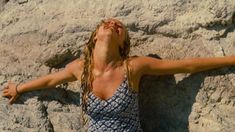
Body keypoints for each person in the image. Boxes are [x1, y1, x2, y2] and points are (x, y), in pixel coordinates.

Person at [1, 18, 235, 131]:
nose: (112, 23)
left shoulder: (132, 67)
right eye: (106, 22)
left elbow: (186, 66)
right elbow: (52, 80)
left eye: (119, 25)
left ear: (124, 43)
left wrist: (230, 59)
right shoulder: (80, 68)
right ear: (94, 37)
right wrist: (19, 89)